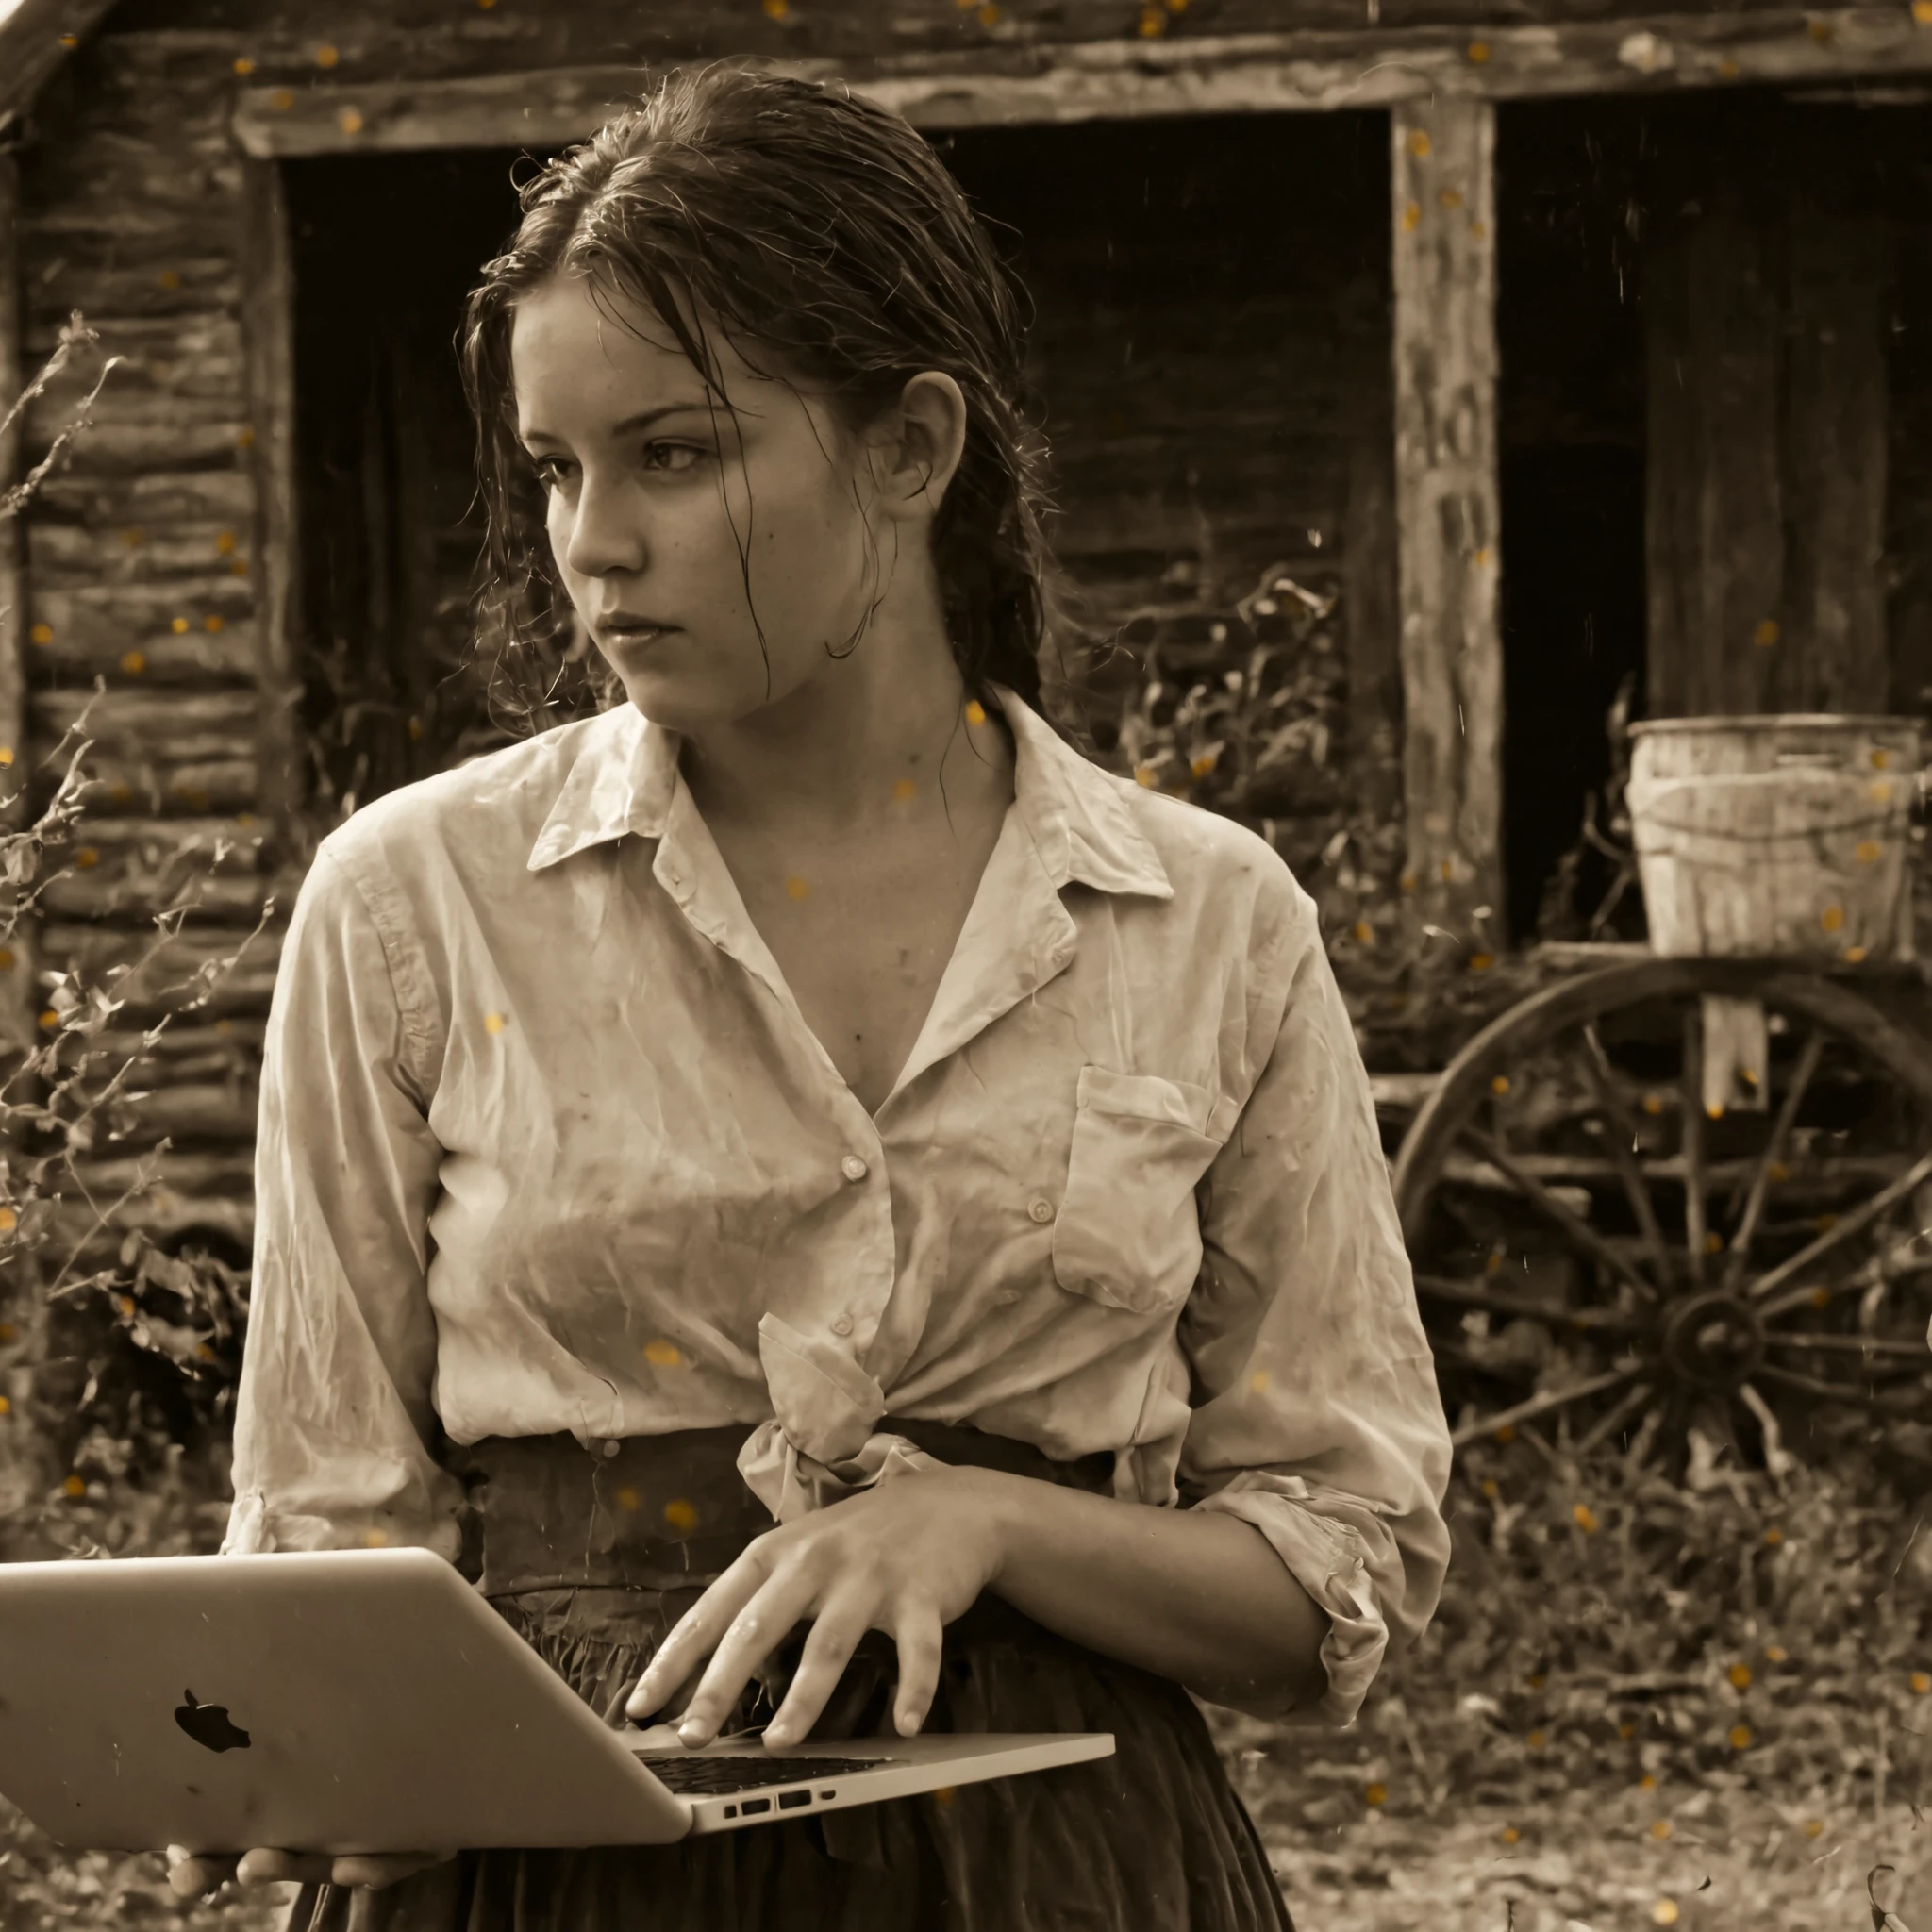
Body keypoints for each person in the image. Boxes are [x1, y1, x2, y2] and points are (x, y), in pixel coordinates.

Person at [163, 58, 1452, 1932]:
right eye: (555, 469)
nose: (595, 539)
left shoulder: (1203, 921)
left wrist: (988, 1517)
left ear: (911, 450)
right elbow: (324, 1529)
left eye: (674, 452)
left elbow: (1332, 1572)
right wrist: (291, 1755)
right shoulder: (417, 902)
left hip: (1061, 1875)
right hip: (557, 1873)